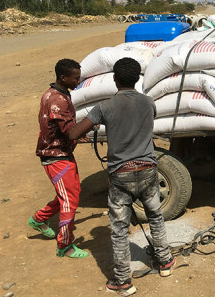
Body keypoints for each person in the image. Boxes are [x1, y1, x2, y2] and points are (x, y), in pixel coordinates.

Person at [70, 58, 174, 296]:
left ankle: (123, 281)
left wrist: (94, 125)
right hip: (148, 169)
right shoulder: (149, 103)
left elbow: (75, 132)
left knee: (119, 229)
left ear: (114, 79)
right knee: (155, 217)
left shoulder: (104, 107)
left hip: (121, 174)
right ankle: (166, 262)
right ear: (138, 79)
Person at [28, 58, 90, 259]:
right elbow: (70, 132)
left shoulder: (53, 93)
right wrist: (89, 124)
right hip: (55, 156)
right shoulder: (59, 101)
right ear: (63, 77)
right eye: (75, 78)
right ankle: (65, 245)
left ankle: (39, 219)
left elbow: (64, 128)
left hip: (60, 152)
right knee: (69, 201)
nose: (78, 82)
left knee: (70, 193)